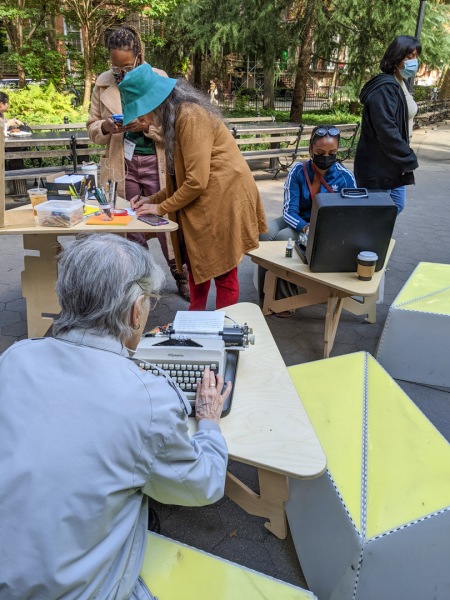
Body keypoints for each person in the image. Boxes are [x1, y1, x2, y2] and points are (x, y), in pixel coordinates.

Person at [0, 233, 230, 599]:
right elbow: (202, 486)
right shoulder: (148, 399)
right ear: (137, 309)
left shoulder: (15, 359)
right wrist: (208, 423)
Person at [119, 63, 267, 311]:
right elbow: (180, 177)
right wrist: (153, 200)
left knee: (223, 271)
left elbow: (195, 181)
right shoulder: (174, 118)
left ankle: (224, 327)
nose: (142, 122)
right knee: (196, 263)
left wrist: (160, 208)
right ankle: (194, 318)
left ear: (156, 103)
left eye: (142, 114)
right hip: (204, 198)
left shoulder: (190, 116)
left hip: (224, 198)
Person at [86, 25, 190, 301]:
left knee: (164, 221)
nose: (122, 73)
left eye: (128, 67)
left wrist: (146, 127)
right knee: (131, 225)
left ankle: (180, 274)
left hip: (155, 161)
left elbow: (172, 126)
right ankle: (140, 282)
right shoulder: (103, 82)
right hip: (123, 164)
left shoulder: (158, 78)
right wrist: (107, 127)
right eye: (116, 67)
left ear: (139, 55)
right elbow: (92, 128)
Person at [258, 126, 356, 316]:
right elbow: (288, 211)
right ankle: (265, 291)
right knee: (265, 231)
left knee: (284, 237)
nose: (326, 157)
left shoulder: (345, 177)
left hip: (327, 227)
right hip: (300, 220)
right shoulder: (298, 171)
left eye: (332, 153)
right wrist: (304, 227)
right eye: (320, 152)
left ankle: (284, 299)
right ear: (311, 150)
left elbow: (352, 214)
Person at [354, 35, 421, 214]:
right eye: (409, 56)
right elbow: (385, 128)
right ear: (396, 57)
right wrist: (407, 156)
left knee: (396, 206)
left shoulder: (401, 84)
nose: (415, 61)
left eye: (416, 56)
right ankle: (367, 241)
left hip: (394, 164)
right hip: (378, 166)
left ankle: (376, 240)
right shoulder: (385, 87)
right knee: (377, 213)